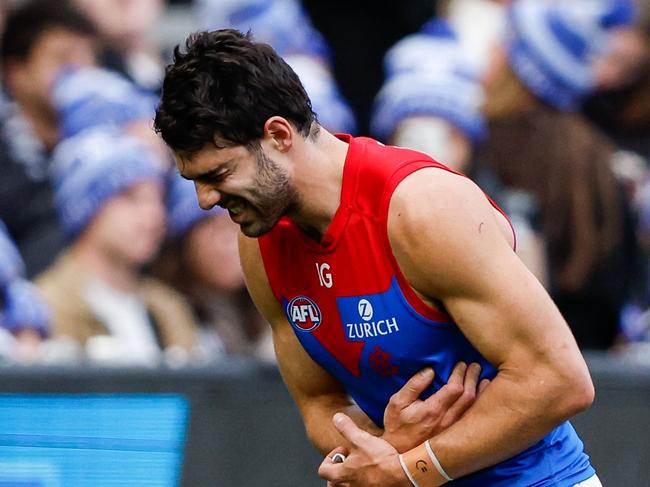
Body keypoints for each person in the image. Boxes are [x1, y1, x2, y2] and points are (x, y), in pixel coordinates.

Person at [154, 29, 597, 486]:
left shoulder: (421, 209)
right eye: (194, 181)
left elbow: (560, 380)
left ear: (278, 135)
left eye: (219, 174)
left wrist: (409, 467)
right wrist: (389, 446)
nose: (205, 200)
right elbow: (319, 405)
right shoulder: (260, 243)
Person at [36, 128, 198, 366]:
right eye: (131, 198)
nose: (154, 215)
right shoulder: (45, 306)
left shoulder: (169, 307)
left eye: (158, 199)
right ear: (86, 209)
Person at [0, 0, 98, 276]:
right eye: (63, 59)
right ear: (16, 72)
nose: (80, 71)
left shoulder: (101, 141)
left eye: (87, 56)